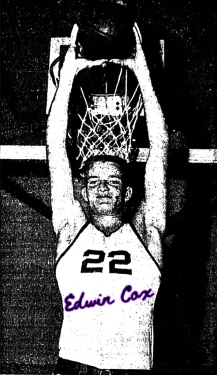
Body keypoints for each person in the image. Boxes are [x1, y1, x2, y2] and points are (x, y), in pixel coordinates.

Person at [47, 23, 168, 374]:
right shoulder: (70, 227)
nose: (101, 187)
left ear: (127, 191)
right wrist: (69, 69)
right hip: (74, 366)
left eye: (112, 180)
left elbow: (160, 147)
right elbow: (56, 147)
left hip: (131, 368)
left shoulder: (148, 230)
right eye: (94, 180)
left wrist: (142, 71)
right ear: (82, 189)